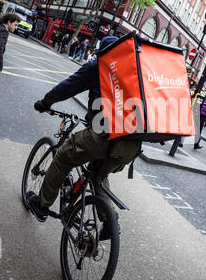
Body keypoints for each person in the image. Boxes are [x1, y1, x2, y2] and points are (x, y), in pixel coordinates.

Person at [26, 35, 141, 235]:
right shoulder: (136, 71)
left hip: (103, 136)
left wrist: (46, 102)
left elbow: (68, 87)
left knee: (62, 157)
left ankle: (42, 205)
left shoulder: (100, 65)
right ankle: (110, 223)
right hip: (131, 144)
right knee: (99, 174)